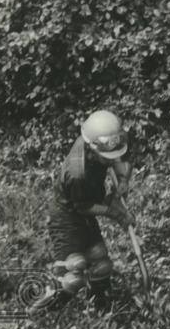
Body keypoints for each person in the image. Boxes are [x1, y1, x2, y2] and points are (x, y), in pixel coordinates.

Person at [28, 110, 135, 314]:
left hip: (87, 202)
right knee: (73, 272)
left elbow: (121, 158)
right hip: (67, 214)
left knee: (100, 261)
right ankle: (37, 316)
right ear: (91, 147)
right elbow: (83, 207)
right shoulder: (78, 173)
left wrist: (122, 181)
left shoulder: (106, 139)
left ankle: (100, 309)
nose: (109, 159)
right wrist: (115, 212)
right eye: (105, 157)